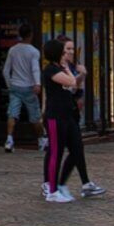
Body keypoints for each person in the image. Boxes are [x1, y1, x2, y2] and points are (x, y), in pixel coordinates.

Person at [39, 37, 90, 201]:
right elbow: (71, 82)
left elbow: (75, 86)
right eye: (63, 51)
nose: (66, 54)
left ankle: (58, 186)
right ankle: (52, 190)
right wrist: (71, 70)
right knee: (55, 152)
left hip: (67, 115)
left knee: (74, 148)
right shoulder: (51, 70)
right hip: (55, 116)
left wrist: (71, 69)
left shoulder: (59, 68)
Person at [0, 31, 43, 152]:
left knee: (12, 114)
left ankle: (9, 140)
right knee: (35, 116)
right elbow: (35, 69)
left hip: (15, 86)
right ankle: (42, 140)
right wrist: (37, 83)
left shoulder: (13, 50)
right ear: (31, 35)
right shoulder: (34, 51)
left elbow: (5, 70)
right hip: (29, 87)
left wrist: (10, 84)